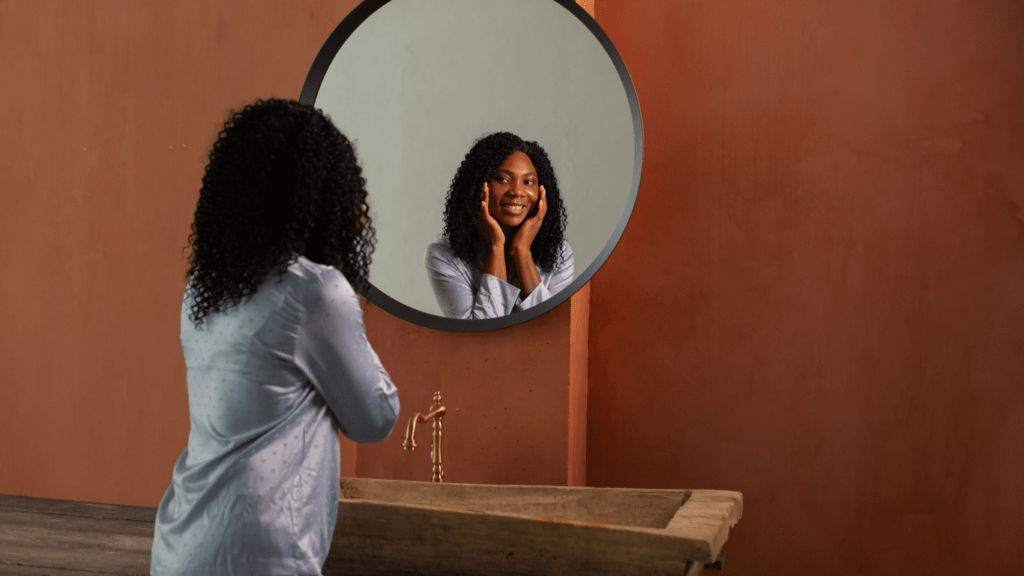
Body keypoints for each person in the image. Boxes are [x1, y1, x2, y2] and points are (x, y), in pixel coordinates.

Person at [151, 99, 400, 576]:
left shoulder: (203, 285)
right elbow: (375, 419)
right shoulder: (317, 291)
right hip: (262, 554)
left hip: (180, 545)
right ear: (322, 198)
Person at [426, 132, 573, 319]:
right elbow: (480, 336)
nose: (517, 192)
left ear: (541, 193)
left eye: (528, 182)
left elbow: (554, 329)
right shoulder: (443, 256)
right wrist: (496, 246)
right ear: (479, 186)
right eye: (502, 179)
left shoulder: (560, 254)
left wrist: (522, 252)